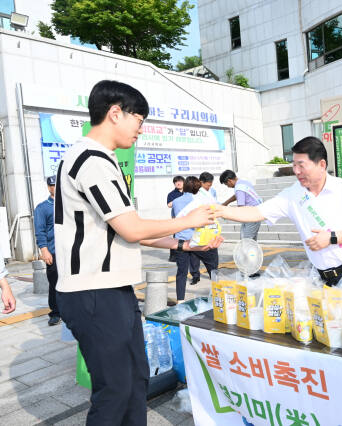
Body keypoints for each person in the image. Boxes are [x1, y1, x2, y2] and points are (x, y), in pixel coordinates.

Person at [54, 80, 223, 425]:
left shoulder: (103, 159)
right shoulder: (91, 159)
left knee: (135, 380)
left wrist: (185, 245)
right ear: (116, 113)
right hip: (93, 290)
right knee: (115, 389)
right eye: (139, 120)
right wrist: (186, 221)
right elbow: (132, 228)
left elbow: (128, 229)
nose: (140, 130)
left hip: (111, 289)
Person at [215, 137, 342, 287]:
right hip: (322, 279)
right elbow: (256, 212)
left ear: (321, 165)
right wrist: (220, 211)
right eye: (294, 165)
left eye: (301, 165)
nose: (296, 171)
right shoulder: (293, 195)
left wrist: (332, 237)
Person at [172, 176, 220, 300]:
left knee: (181, 273)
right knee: (213, 270)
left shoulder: (176, 202)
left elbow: (174, 220)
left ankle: (180, 300)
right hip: (200, 240)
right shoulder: (202, 200)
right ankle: (219, 297)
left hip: (181, 241)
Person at [34, 175, 60, 326]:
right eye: (51, 185)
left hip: (69, 252)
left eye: (56, 185)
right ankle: (55, 313)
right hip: (53, 252)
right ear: (48, 187)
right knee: (55, 283)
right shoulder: (42, 208)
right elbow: (40, 231)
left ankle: (71, 310)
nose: (54, 188)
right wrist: (44, 250)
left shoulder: (68, 205)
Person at [220, 169, 263, 240]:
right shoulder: (244, 183)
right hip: (256, 213)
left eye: (226, 184)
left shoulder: (239, 189)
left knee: (246, 241)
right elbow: (236, 195)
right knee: (251, 241)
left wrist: (226, 213)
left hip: (251, 216)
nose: (228, 186)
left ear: (229, 181)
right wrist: (226, 203)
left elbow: (241, 208)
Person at [167, 176, 185, 262]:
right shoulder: (172, 194)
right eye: (176, 182)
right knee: (176, 237)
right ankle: (173, 256)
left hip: (188, 217)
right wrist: (181, 199)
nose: (178, 183)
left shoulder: (188, 192)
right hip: (176, 218)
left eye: (180, 181)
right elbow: (169, 205)